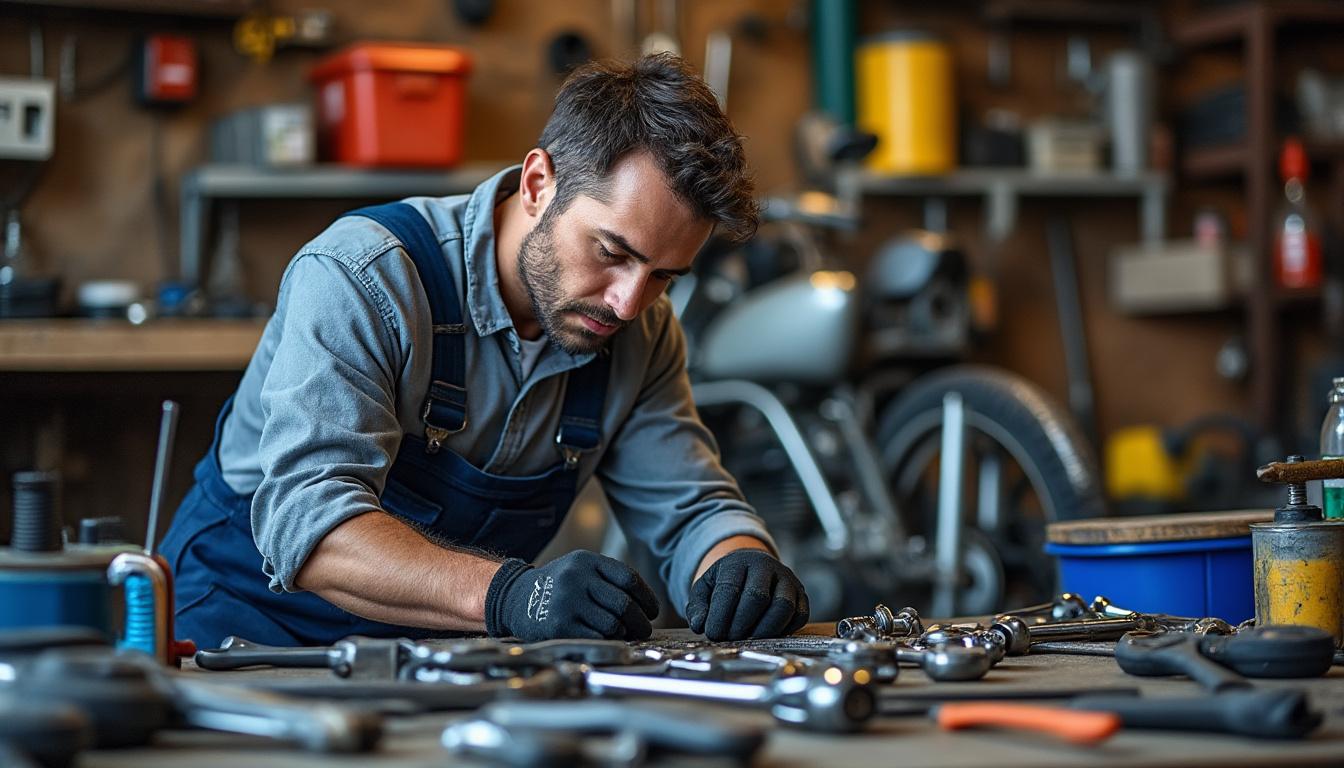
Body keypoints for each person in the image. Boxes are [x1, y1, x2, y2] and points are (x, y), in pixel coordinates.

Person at [160, 53, 810, 648]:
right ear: (537, 184)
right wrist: (510, 596)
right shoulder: (363, 276)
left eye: (665, 275)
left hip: (425, 662)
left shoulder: (640, 334)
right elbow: (311, 527)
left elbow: (689, 506)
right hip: (242, 640)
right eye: (612, 253)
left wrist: (739, 561)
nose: (628, 303)